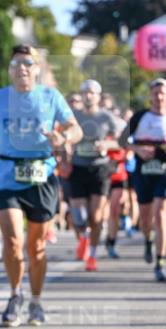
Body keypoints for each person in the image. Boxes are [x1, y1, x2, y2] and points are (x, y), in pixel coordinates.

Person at [0, 45, 82, 326]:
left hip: (41, 176)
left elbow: (75, 128)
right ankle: (14, 293)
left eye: (27, 63)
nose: (21, 68)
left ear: (37, 69)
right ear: (10, 70)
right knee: (12, 240)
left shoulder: (50, 96)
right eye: (16, 63)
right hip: (7, 174)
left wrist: (63, 138)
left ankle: (36, 300)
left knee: (37, 247)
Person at [120, 79, 166, 283]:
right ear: (150, 96)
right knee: (145, 220)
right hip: (143, 173)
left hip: (165, 173)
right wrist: (137, 149)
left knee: (161, 215)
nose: (159, 97)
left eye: (163, 93)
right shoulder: (140, 117)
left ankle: (160, 263)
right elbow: (121, 141)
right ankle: (148, 240)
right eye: (155, 93)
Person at [67, 79, 121, 272]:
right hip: (78, 167)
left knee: (96, 216)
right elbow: (64, 137)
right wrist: (65, 153)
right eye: (85, 92)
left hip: (100, 169)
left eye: (92, 92)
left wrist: (107, 145)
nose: (88, 96)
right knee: (79, 216)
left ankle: (92, 254)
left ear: (98, 96)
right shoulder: (73, 116)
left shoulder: (107, 118)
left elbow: (121, 142)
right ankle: (83, 237)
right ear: (81, 96)